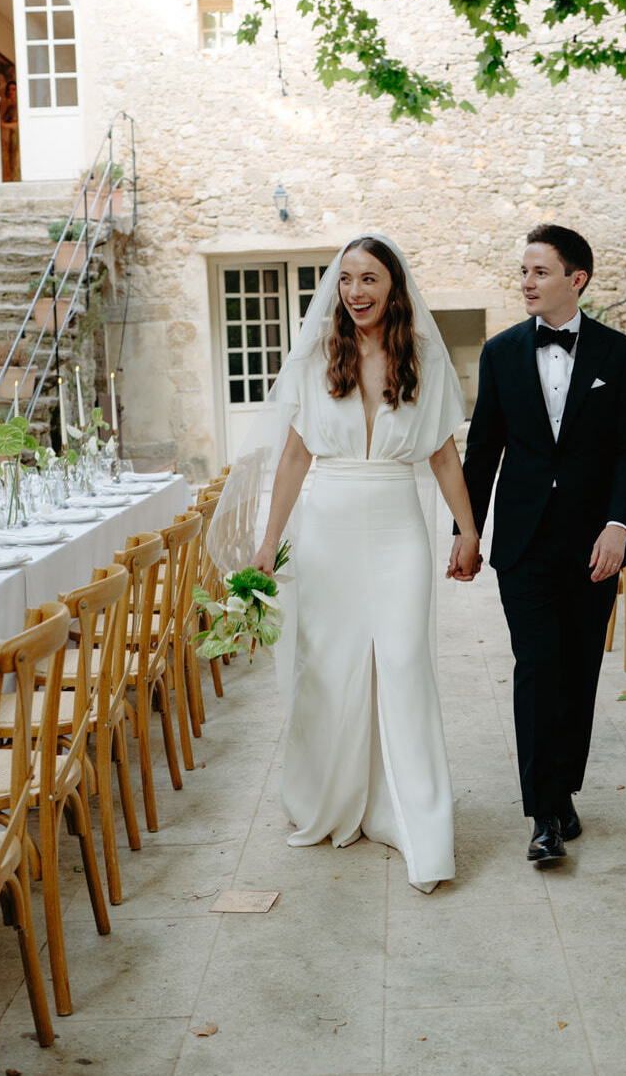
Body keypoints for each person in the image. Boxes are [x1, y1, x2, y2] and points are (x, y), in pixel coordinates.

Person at [208, 234, 480, 894]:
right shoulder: (315, 357)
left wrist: (467, 529)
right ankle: (331, 800)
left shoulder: (423, 358)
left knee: (404, 664)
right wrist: (266, 543)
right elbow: (294, 457)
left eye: (369, 279)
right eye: (347, 279)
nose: (355, 291)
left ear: (393, 287)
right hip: (327, 531)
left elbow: (443, 455)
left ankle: (414, 816)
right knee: (328, 666)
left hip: (397, 528)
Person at [454, 224, 626, 866]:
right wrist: (466, 531)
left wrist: (619, 526)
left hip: (596, 544)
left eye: (540, 271)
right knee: (537, 667)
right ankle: (544, 815)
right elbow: (483, 450)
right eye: (523, 271)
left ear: (577, 279)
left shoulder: (621, 356)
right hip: (525, 543)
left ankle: (563, 790)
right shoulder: (501, 353)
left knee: (578, 668)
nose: (527, 282)